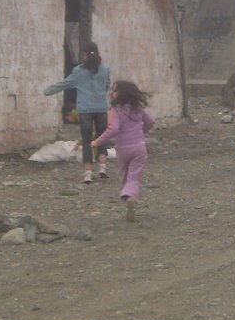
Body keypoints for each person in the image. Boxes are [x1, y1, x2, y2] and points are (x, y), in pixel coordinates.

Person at [43, 42, 111, 183]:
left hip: (85, 110)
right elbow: (106, 86)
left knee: (87, 140)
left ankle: (87, 174)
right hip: (101, 108)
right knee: (101, 137)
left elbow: (64, 84)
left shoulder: (78, 71)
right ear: (97, 53)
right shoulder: (105, 69)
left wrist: (47, 91)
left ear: (84, 55)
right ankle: (103, 167)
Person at [91, 80, 154, 222]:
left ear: (120, 94)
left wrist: (97, 141)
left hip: (122, 148)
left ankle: (127, 197)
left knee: (125, 175)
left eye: (114, 90)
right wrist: (141, 133)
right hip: (139, 147)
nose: (111, 93)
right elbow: (150, 122)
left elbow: (113, 129)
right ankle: (131, 196)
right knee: (134, 175)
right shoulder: (137, 108)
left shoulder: (115, 111)